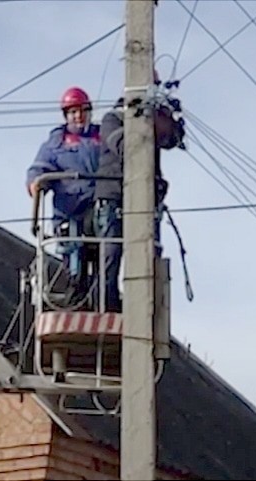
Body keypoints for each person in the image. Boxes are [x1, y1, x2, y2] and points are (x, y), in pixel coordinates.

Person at [94, 83, 185, 313]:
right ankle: (109, 308)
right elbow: (126, 147)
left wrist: (169, 123)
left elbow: (172, 140)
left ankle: (146, 309)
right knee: (111, 255)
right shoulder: (112, 119)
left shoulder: (151, 122)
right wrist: (147, 127)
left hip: (146, 201)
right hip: (113, 197)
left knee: (148, 256)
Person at [26, 86, 101, 307]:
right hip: (69, 212)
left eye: (82, 111)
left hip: (98, 209)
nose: (78, 116)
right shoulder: (56, 144)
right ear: (66, 115)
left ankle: (102, 300)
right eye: (73, 112)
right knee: (75, 260)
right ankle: (76, 298)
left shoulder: (102, 137)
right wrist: (35, 185)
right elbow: (38, 169)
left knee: (103, 259)